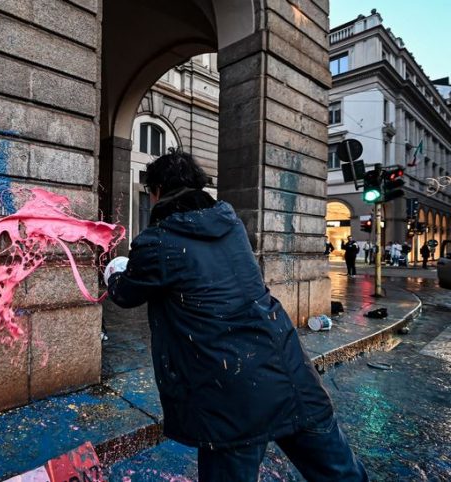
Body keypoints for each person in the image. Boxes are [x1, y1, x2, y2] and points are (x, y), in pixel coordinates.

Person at [104, 150, 368, 482]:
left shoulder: (158, 241)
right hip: (288, 372)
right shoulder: (231, 225)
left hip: (226, 393)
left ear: (157, 190)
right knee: (340, 474)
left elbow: (125, 294)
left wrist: (114, 270)